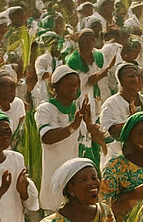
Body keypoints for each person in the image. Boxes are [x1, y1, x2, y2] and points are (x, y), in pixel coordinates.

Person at [36, 65, 103, 214]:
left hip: (77, 179)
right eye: (70, 85)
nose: (75, 88)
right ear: (56, 88)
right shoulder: (46, 109)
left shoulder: (78, 108)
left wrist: (89, 122)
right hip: (55, 171)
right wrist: (72, 126)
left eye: (77, 85)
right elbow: (46, 137)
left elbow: (88, 138)